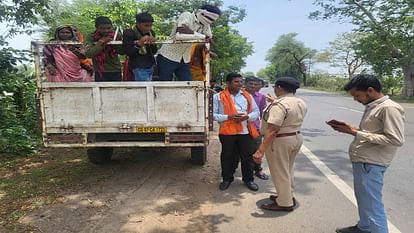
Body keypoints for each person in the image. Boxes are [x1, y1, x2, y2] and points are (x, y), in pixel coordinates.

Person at [326, 74, 405, 233]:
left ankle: (374, 229)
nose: (356, 99)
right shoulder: (374, 106)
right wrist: (352, 129)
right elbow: (374, 132)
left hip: (372, 164)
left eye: (357, 95)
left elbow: (396, 139)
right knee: (364, 201)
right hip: (364, 162)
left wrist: (356, 133)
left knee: (372, 205)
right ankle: (365, 227)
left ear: (370, 90)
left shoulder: (389, 108)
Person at [253, 77, 307, 212]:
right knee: (288, 169)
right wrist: (274, 102)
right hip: (295, 137)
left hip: (280, 140)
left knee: (279, 171)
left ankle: (284, 203)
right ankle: (287, 195)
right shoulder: (299, 101)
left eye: (275, 87)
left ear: (279, 88)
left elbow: (272, 130)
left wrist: (260, 150)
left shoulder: (279, 105)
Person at [213, 72, 260, 191]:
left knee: (247, 157)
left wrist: (247, 117)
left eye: (241, 81)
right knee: (227, 156)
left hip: (245, 131)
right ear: (228, 83)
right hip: (227, 132)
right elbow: (213, 115)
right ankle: (226, 179)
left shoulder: (247, 96)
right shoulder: (218, 96)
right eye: (236, 82)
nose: (240, 84)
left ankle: (248, 180)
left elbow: (256, 112)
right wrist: (228, 117)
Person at [156, 5, 221, 81]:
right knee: (164, 83)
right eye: (209, 18)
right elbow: (181, 31)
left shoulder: (206, 25)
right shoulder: (187, 15)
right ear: (201, 12)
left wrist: (201, 37)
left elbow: (209, 38)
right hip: (168, 56)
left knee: (188, 83)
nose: (210, 21)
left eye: (212, 20)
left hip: (185, 58)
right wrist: (202, 36)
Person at [85, 16, 124, 82]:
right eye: (102, 28)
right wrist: (101, 43)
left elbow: (122, 52)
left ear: (112, 27)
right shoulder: (91, 36)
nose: (106, 30)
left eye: (109, 28)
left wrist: (114, 42)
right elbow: (88, 54)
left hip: (115, 70)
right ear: (96, 28)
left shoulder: (116, 35)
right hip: (100, 71)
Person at [244, 76, 269, 180]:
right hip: (240, 127)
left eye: (256, 84)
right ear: (245, 84)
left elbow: (264, 113)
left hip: (255, 128)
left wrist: (263, 129)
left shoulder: (261, 97)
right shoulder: (239, 95)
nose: (253, 86)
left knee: (257, 150)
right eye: (251, 84)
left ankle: (258, 170)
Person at [123, 12, 157, 81]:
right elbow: (128, 52)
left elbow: (154, 51)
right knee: (143, 90)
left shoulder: (151, 33)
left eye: (151, 26)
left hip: (150, 65)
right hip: (138, 67)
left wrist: (153, 44)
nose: (149, 28)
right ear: (138, 24)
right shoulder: (129, 33)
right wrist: (139, 44)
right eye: (146, 26)